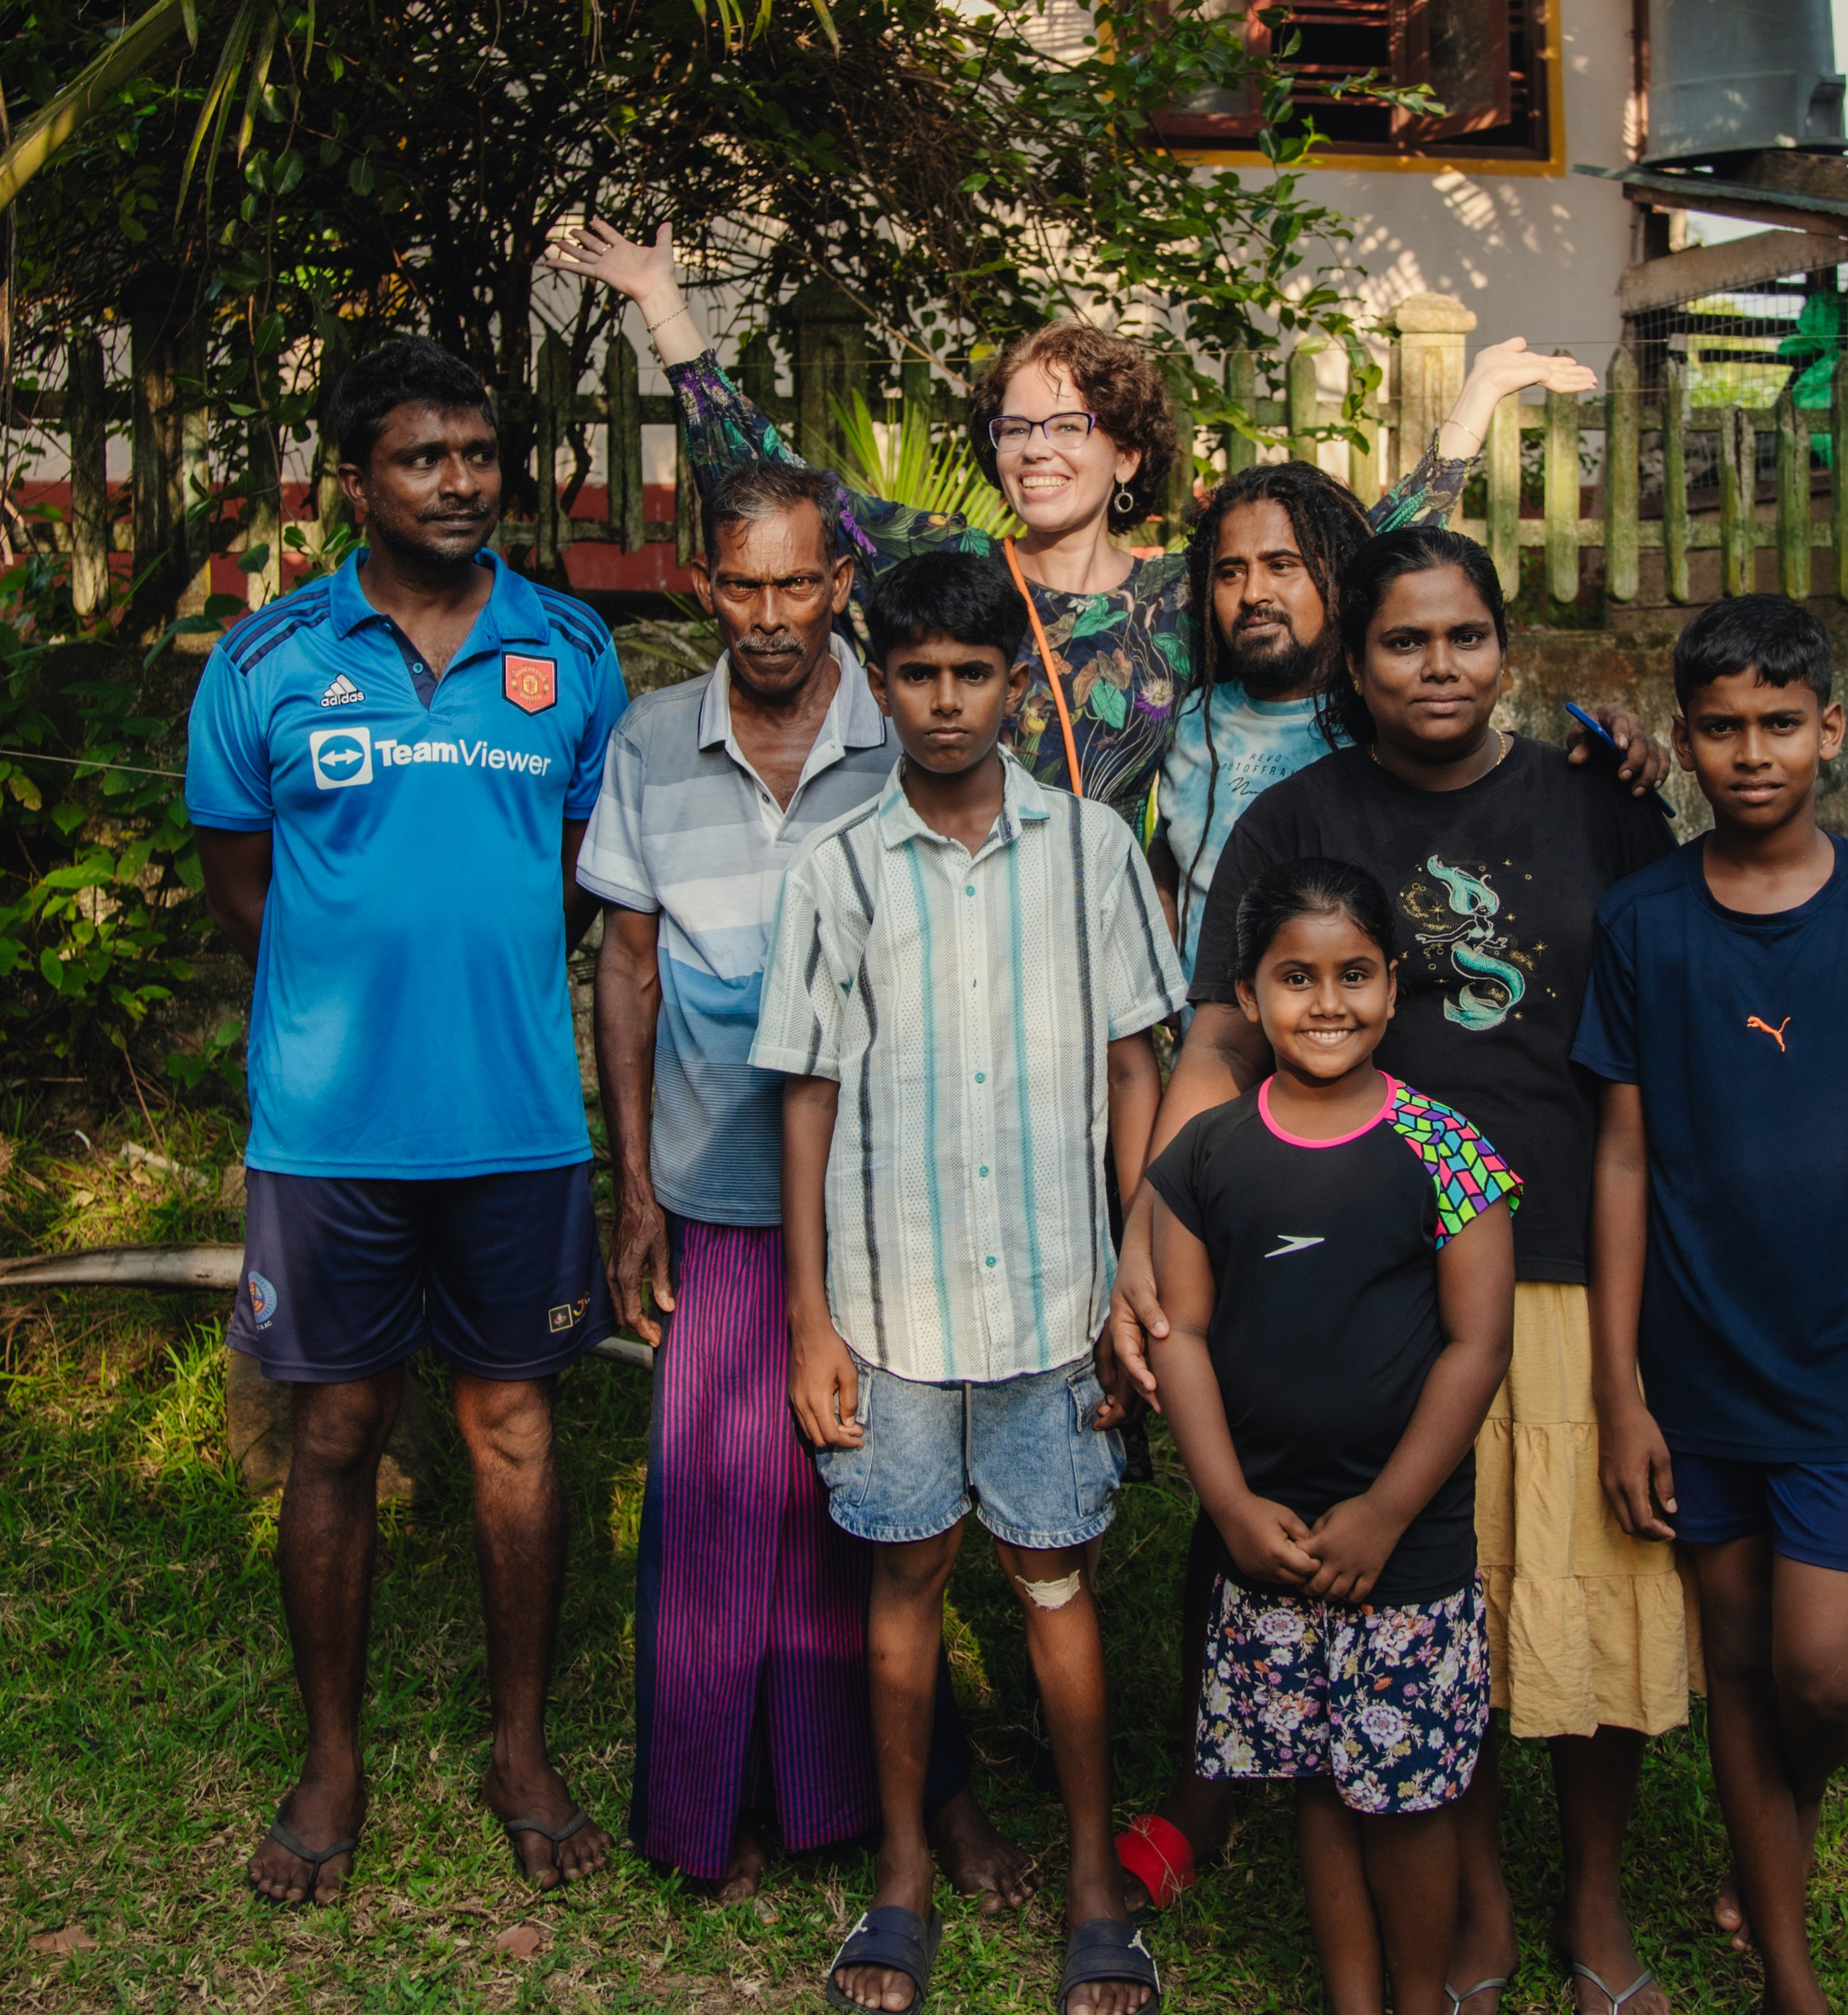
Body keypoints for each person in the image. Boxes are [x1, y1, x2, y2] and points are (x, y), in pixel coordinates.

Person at [1113, 529, 1848, 2015]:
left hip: (1580, 1267)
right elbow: (1213, 1042)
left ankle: (1594, 1898)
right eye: (1403, 642)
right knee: (1443, 1601)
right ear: (1356, 662)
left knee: (1590, 1602)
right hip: (1376, 1280)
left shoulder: (1602, 807)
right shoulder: (1295, 817)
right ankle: (1473, 1907)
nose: (1437, 667)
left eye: (1466, 637)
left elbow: (1717, 977)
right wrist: (1150, 1221)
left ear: (1511, 649)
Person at [187, 337, 626, 1906]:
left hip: (516, 1126)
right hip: (328, 1138)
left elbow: (582, 878)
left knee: (513, 1432)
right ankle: (333, 1758)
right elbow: (245, 891)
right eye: (423, 457)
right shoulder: (263, 664)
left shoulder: (569, 652)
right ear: (352, 480)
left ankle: (518, 1746)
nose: (458, 481)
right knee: (335, 1433)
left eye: (478, 452)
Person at [544, 214, 1610, 833]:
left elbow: (1357, 560)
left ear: (1127, 453)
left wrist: (1472, 404)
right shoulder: (946, 563)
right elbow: (765, 480)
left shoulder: (1189, 590)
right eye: (1013, 428)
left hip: (1126, 941)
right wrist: (661, 304)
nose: (1036, 447)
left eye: (1068, 423)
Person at [578, 457, 1028, 1908]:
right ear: (703, 586)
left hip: (889, 1192)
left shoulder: (907, 726)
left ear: (840, 585)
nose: (771, 615)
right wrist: (634, 1184)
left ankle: (894, 1794)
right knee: (715, 1496)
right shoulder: (651, 741)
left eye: (798, 583)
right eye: (741, 584)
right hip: (716, 1184)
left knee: (871, 1498)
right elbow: (627, 961)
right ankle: (718, 1807)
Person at [754, 553, 1186, 2015]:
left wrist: (1134, 1270)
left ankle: (1090, 1883)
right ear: (882, 687)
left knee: (1053, 1577)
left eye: (974, 675)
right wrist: (812, 1316)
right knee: (906, 1583)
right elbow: (805, 1094)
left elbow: (1139, 1061)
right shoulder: (840, 870)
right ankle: (902, 1875)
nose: (946, 702)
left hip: (1059, 1305)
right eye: (918, 674)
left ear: (1020, 685)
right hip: (891, 1306)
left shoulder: (1093, 853)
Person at [1578, 594, 1848, 2015]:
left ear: (1833, 733)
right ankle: (1793, 2000)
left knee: (1826, 1672)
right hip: (1695, 1366)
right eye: (1722, 727)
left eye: (1780, 724)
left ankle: (1777, 1840)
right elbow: (1619, 1161)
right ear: (1683, 742)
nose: (1753, 754)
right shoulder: (1646, 925)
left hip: (1847, 1373)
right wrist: (1620, 1387)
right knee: (1740, 1664)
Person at [1148, 855, 1517, 2015]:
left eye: (1354, 975)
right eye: (1295, 978)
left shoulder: (1446, 1149)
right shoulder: (1207, 1155)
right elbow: (1183, 1335)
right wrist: (1232, 1506)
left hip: (1401, 1546)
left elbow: (1476, 1347)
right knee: (1316, 1781)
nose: (1326, 1002)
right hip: (1271, 1541)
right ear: (1247, 994)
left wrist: (1384, 1512)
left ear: (1393, 986)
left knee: (1404, 1797)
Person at [1148, 461, 1373, 972]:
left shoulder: (1378, 726)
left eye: (1282, 565)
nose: (1253, 594)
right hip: (1206, 1043)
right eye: (1232, 572)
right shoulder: (1189, 721)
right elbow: (1173, 848)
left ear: (1334, 578)